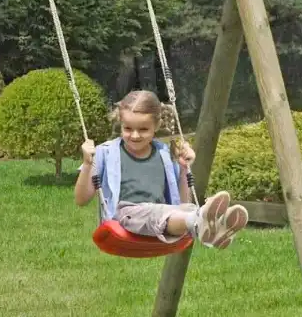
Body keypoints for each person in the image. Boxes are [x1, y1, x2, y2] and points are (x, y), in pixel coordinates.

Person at [74, 90, 248, 248]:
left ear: (156, 126)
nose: (134, 135)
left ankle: (216, 228)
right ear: (121, 123)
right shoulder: (105, 153)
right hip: (126, 215)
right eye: (127, 129)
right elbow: (81, 200)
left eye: (143, 129)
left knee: (185, 208)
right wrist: (88, 164)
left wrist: (183, 169)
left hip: (163, 214)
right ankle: (199, 221)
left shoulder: (165, 154)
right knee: (157, 213)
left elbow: (180, 201)